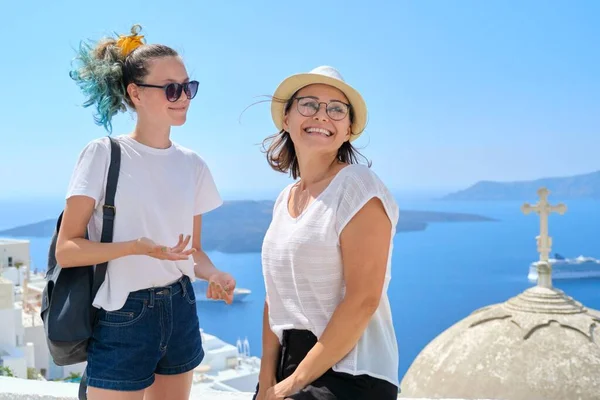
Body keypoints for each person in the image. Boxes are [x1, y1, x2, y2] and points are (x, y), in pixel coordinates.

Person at [56, 25, 236, 400]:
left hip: (181, 306)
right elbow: (67, 249)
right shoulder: (103, 154)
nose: (183, 96)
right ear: (135, 93)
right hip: (124, 315)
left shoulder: (193, 165)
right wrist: (134, 247)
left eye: (188, 87)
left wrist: (214, 274)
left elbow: (192, 250)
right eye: (171, 88)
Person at [254, 65, 400, 400]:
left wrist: (288, 387)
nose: (322, 115)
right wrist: (266, 383)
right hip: (290, 365)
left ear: (349, 129)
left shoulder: (358, 187)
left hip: (351, 371)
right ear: (286, 119)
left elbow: (363, 300)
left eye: (336, 109)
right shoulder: (284, 199)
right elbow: (273, 299)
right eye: (309, 104)